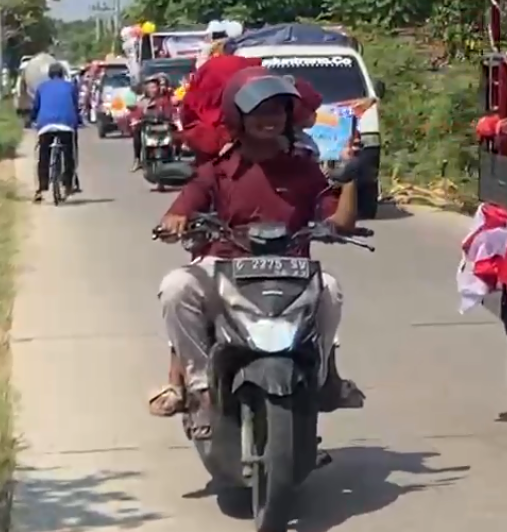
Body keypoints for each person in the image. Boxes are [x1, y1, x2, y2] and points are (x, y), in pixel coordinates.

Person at [148, 69, 363, 438]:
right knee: (175, 287)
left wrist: (350, 176)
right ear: (238, 118)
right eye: (259, 112)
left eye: (277, 111)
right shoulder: (217, 170)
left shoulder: (305, 168)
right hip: (224, 267)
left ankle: (323, 377)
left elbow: (339, 222)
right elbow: (180, 209)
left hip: (291, 271)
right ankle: (199, 388)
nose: (270, 120)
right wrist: (176, 220)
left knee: (329, 288)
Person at [29, 62, 82, 202]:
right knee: (70, 154)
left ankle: (41, 188)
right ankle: (68, 184)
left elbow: (35, 108)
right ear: (62, 74)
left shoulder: (41, 87)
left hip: (45, 125)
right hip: (66, 124)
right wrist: (78, 120)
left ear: (49, 75)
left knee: (43, 156)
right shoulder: (71, 86)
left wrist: (32, 119)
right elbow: (76, 106)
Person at [129, 75, 175, 170]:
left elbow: (170, 112)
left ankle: (174, 156)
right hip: (148, 127)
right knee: (137, 133)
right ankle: (137, 159)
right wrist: (135, 120)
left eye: (154, 87)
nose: (153, 90)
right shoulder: (142, 101)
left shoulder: (163, 100)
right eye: (150, 87)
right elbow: (136, 114)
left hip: (162, 128)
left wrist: (172, 120)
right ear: (146, 89)